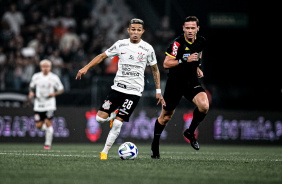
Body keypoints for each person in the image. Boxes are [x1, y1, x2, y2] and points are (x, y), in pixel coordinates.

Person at [76, 18, 166, 160]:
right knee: (99, 119)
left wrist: (158, 91)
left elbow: (155, 70)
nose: (135, 32)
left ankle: (104, 152)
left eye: (138, 30)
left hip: (134, 92)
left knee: (118, 123)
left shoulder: (148, 49)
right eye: (133, 29)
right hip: (117, 89)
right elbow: (102, 56)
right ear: (128, 30)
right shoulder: (120, 45)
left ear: (142, 32)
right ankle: (113, 114)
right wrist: (85, 67)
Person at [151, 16, 209, 159]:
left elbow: (197, 54)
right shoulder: (177, 43)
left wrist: (197, 67)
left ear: (197, 29)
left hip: (191, 81)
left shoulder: (201, 41)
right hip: (175, 83)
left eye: (192, 28)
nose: (190, 30)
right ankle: (155, 144)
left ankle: (190, 132)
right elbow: (166, 64)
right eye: (187, 28)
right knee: (165, 117)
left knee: (204, 106)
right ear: (183, 28)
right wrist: (185, 60)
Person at [28, 59, 64, 149]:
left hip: (49, 104)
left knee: (48, 122)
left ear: (50, 68)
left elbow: (61, 89)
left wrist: (54, 93)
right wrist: (31, 92)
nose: (45, 68)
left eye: (47, 66)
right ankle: (49, 130)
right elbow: (31, 87)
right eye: (44, 66)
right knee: (38, 126)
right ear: (41, 68)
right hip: (38, 104)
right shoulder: (36, 77)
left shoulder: (54, 77)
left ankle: (47, 144)